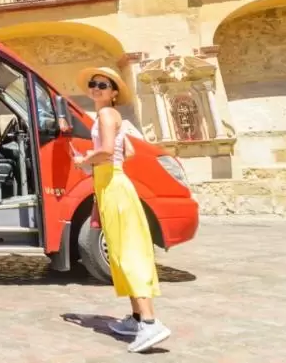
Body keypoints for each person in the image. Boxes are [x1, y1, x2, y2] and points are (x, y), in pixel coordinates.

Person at [70, 66, 169, 354]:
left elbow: (106, 150)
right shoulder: (115, 117)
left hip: (112, 183)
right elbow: (128, 152)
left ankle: (150, 321)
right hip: (111, 182)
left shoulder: (104, 114)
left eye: (104, 84)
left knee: (127, 251)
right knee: (120, 250)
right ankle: (137, 318)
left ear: (114, 93)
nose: (97, 88)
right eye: (93, 83)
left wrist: (83, 160)